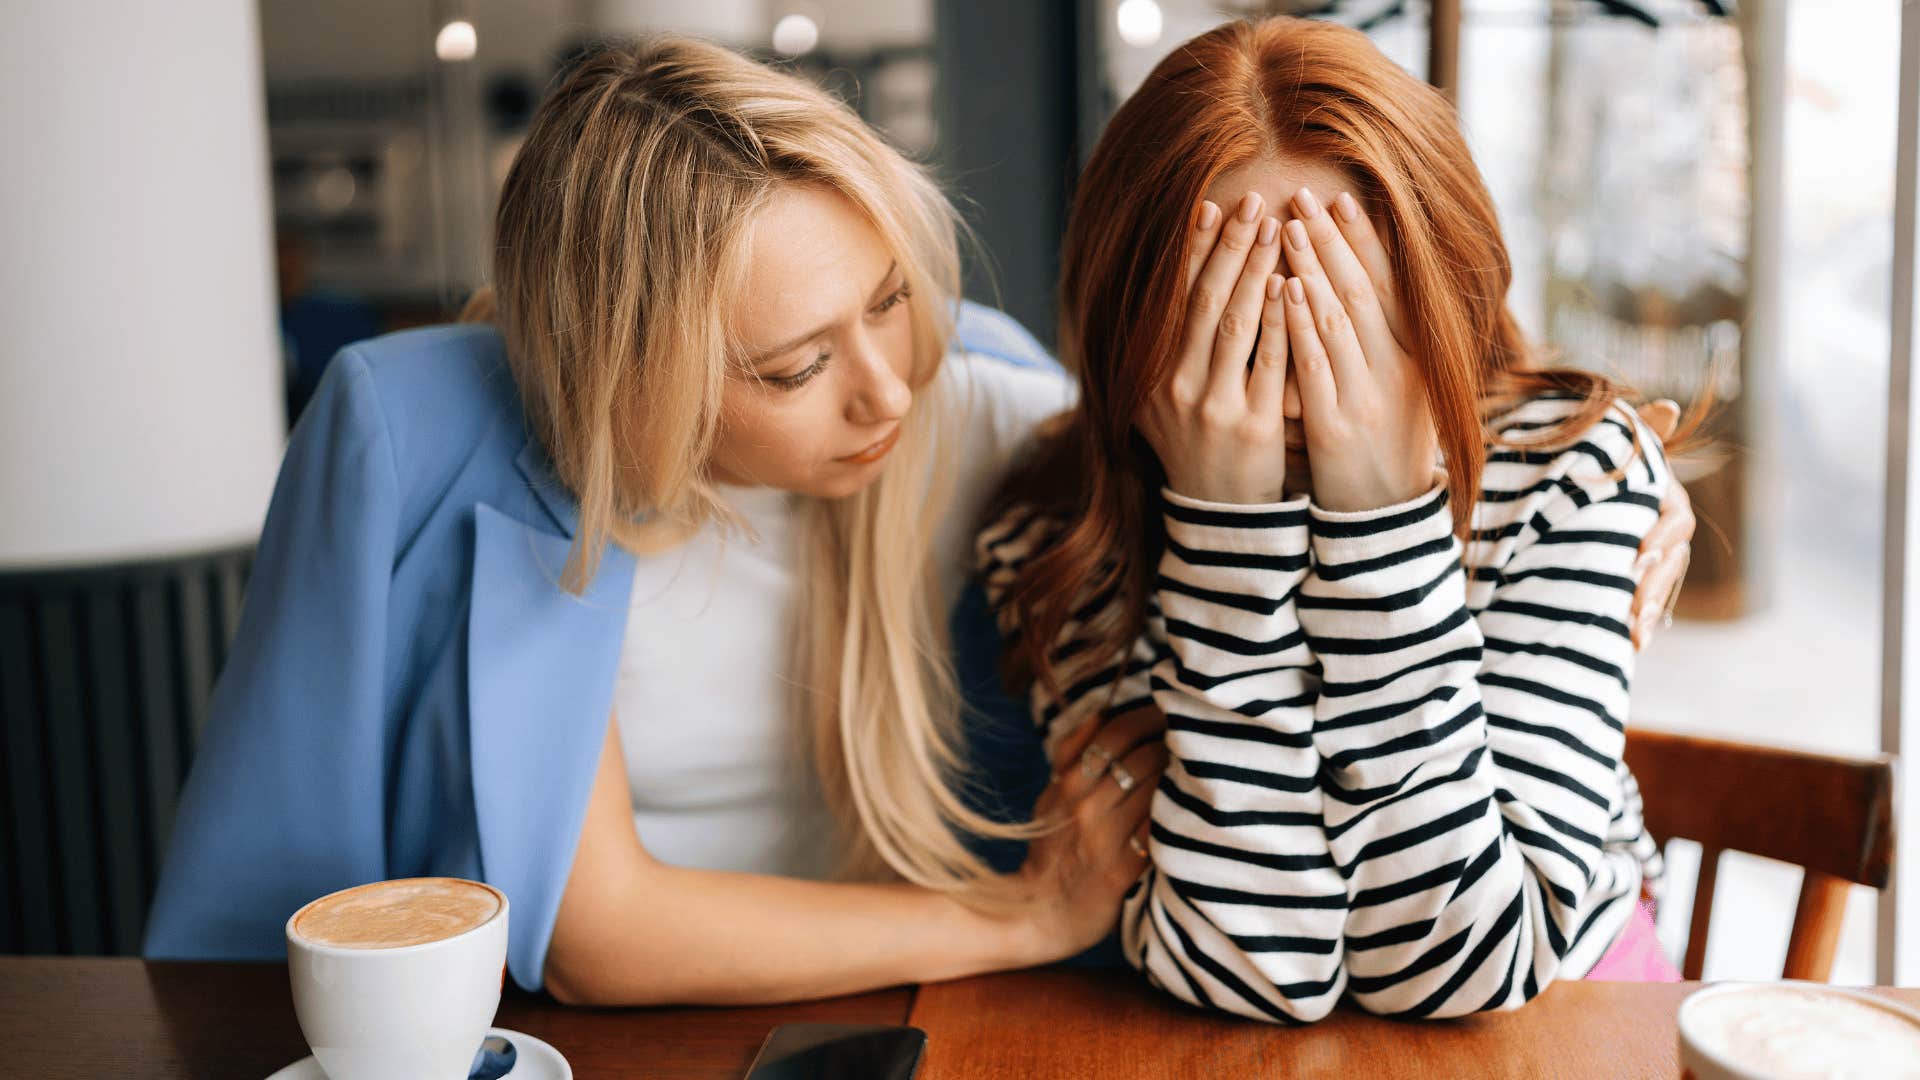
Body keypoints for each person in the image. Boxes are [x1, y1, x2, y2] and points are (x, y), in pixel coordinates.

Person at [143, 36, 1160, 1005]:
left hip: (921, 1014)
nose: (887, 391)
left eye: (889, 298)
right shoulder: (417, 431)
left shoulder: (976, 400)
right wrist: (1019, 923)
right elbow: (597, 932)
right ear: (638, 383)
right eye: (796, 366)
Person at [978, 16, 1696, 1023]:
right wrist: (1225, 536)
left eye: (1344, 306)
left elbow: (1466, 973)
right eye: (1233, 316)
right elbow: (1254, 970)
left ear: (1444, 285)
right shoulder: (1061, 535)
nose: (1300, 376)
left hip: (1570, 1028)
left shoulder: (1569, 474)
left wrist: (1383, 522)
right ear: (1131, 316)